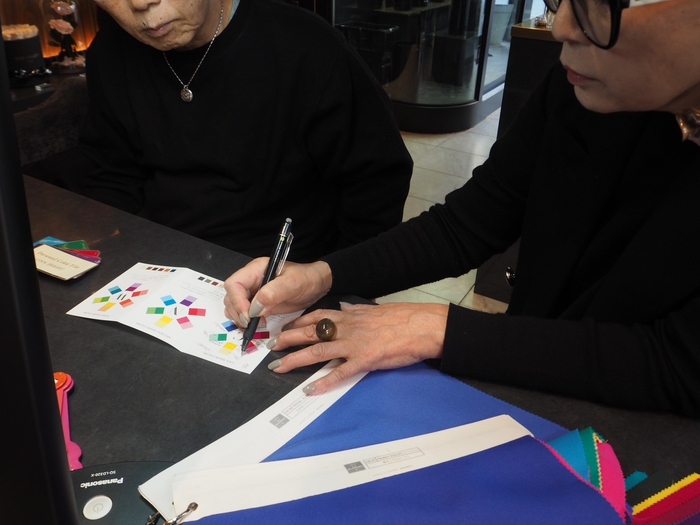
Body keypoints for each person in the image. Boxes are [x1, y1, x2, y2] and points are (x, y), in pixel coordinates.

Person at [224, 0, 700, 417]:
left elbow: (675, 366)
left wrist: (440, 329)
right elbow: (465, 225)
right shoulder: (580, 89)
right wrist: (323, 275)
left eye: (603, 4)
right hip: (531, 394)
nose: (562, 27)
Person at [29, 0, 412, 262]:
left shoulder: (307, 47)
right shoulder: (111, 50)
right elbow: (112, 171)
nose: (141, 3)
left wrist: (331, 280)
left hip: (283, 273)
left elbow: (377, 182)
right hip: (162, 263)